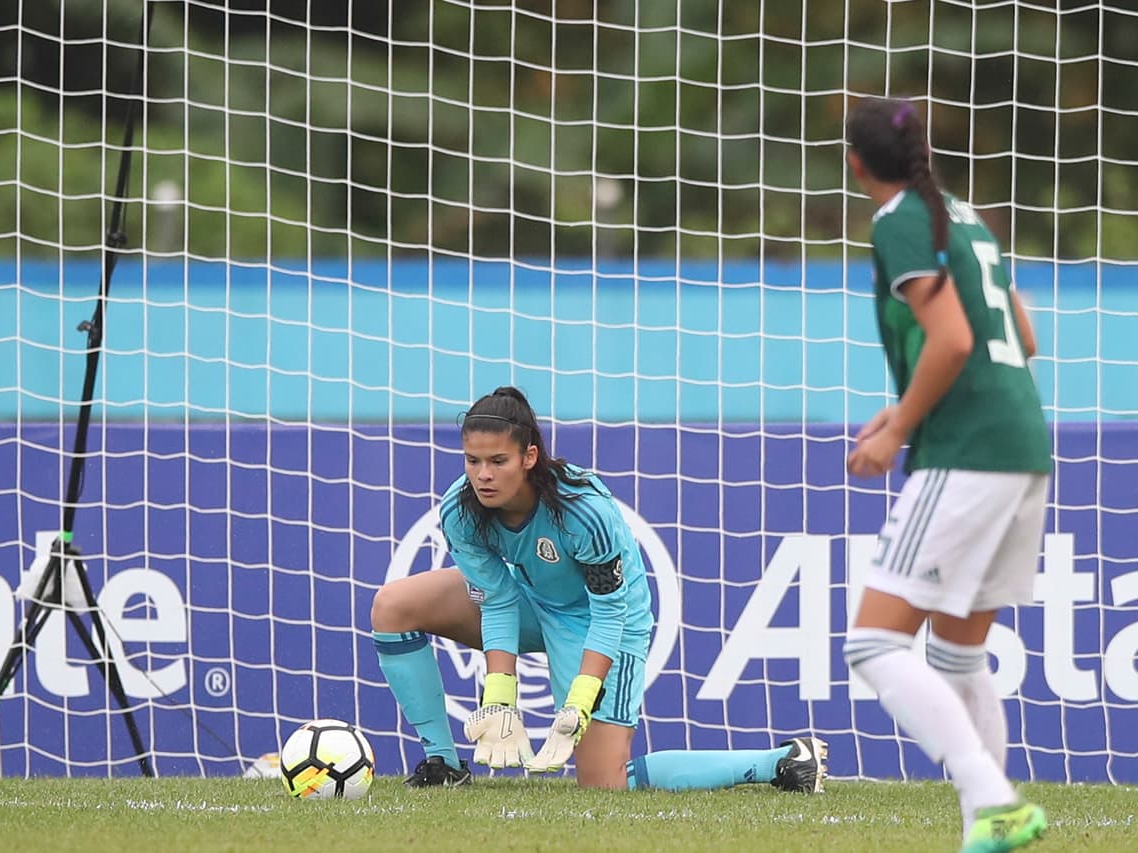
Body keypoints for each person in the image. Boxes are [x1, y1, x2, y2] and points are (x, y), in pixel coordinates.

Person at [371, 385, 828, 792]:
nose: (483, 475)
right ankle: (444, 765)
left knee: (604, 784)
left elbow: (611, 611)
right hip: (528, 598)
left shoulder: (583, 509)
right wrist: (499, 699)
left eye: (498, 461)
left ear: (529, 457)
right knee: (393, 605)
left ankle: (782, 762)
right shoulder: (460, 511)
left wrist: (580, 701)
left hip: (602, 619)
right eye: (473, 461)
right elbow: (498, 600)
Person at [842, 97, 1051, 853]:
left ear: (856, 165)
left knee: (871, 645)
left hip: (969, 453)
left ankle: (992, 798)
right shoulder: (963, 216)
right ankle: (992, 824)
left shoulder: (899, 219)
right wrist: (905, 407)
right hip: (1024, 443)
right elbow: (1020, 336)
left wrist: (900, 427)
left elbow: (954, 339)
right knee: (957, 653)